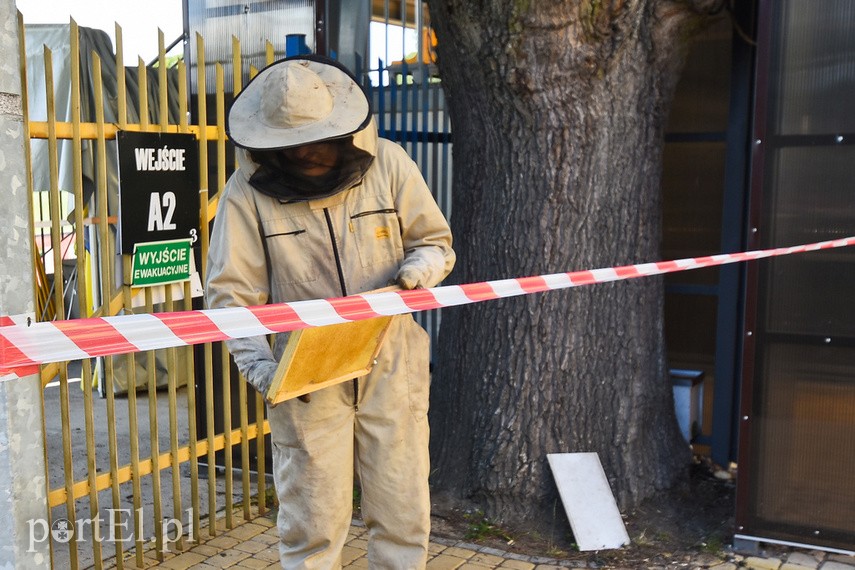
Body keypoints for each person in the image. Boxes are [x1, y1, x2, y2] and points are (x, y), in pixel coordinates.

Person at [205, 54, 455, 569]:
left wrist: (417, 272)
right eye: (292, 143)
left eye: (317, 136)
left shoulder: (389, 164)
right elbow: (231, 295)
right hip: (305, 375)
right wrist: (262, 370)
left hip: (392, 362)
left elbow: (435, 242)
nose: (306, 150)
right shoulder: (244, 195)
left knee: (402, 511)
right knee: (313, 523)